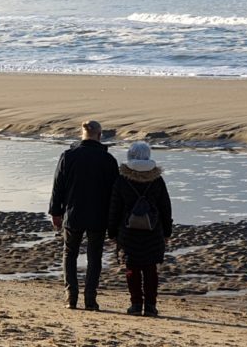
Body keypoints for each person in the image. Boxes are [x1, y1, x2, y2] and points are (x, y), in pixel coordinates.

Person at [49, 120, 119, 310]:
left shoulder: (69, 156)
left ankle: (71, 296)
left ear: (82, 134)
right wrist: (115, 221)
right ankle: (90, 299)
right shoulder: (108, 160)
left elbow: (58, 187)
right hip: (98, 215)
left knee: (69, 253)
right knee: (94, 256)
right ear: (99, 134)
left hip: (73, 214)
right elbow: (116, 193)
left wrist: (55, 212)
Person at [107, 141, 172, 317]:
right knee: (151, 269)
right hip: (153, 230)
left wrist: (111, 232)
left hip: (128, 232)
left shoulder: (122, 179)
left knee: (132, 269)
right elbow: (166, 207)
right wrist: (167, 232)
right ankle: (150, 306)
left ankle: (136, 304)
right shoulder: (157, 179)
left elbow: (114, 208)